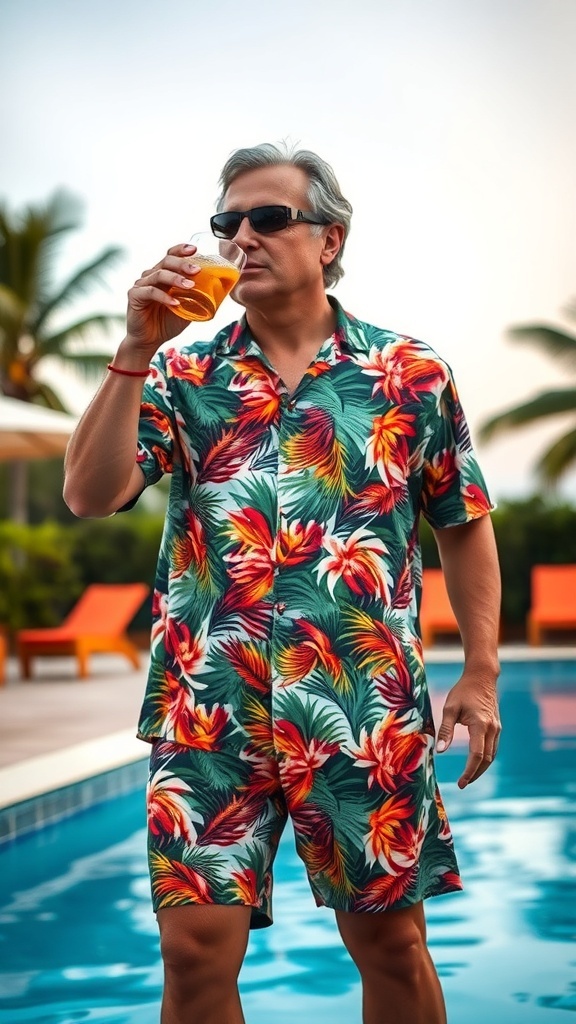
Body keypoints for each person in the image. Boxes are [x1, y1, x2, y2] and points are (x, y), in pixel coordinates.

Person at [63, 142, 501, 1024]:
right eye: (228, 223)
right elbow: (89, 493)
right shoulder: (182, 374)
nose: (243, 238)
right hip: (208, 705)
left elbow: (464, 521)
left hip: (362, 701)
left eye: (269, 218)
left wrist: (483, 673)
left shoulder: (408, 374)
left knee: (392, 945)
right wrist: (133, 349)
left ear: (330, 238)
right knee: (191, 955)